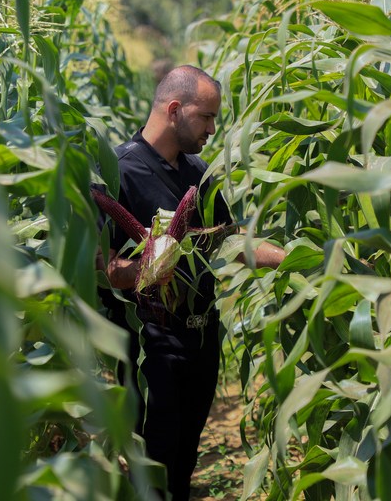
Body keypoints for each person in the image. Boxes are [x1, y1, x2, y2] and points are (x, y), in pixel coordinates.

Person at [96, 65, 285, 500]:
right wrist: (147, 266)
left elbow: (228, 241)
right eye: (206, 117)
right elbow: (104, 268)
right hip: (152, 347)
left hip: (201, 339)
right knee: (155, 467)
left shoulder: (198, 173)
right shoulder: (120, 171)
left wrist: (293, 260)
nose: (212, 129)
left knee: (183, 466)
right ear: (175, 109)